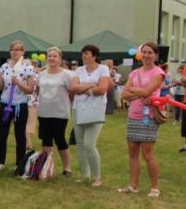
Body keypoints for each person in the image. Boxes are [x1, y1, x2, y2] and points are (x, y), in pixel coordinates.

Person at [119, 42, 164, 199]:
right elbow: (123, 95)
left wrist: (133, 90)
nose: (146, 55)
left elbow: (147, 91)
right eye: (144, 52)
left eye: (150, 52)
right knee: (132, 153)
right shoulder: (134, 73)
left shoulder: (158, 73)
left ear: (156, 55)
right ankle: (133, 185)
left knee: (147, 154)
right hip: (133, 115)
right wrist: (141, 93)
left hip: (149, 116)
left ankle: (155, 188)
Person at [70, 45, 111, 185]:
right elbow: (73, 88)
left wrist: (84, 89)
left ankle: (97, 177)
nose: (84, 56)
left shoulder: (103, 69)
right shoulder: (79, 70)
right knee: (80, 143)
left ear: (94, 56)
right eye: (83, 53)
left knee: (89, 144)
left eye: (87, 53)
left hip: (95, 109)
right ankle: (85, 175)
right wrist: (91, 85)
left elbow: (103, 89)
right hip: (78, 108)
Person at [0, 40, 36, 174]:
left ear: (23, 52)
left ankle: (19, 163)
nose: (14, 52)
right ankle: (1, 162)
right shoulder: (5, 66)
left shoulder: (28, 68)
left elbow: (30, 90)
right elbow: (0, 88)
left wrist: (18, 83)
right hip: (5, 103)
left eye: (17, 49)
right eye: (12, 49)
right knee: (2, 133)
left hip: (20, 104)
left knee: (20, 134)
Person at [35, 47, 73, 176]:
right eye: (49, 56)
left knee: (59, 139)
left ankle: (67, 168)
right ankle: (48, 167)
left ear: (60, 59)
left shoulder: (67, 75)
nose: (51, 58)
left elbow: (72, 92)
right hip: (43, 112)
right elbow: (37, 91)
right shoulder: (41, 74)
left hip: (60, 113)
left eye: (54, 56)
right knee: (46, 139)